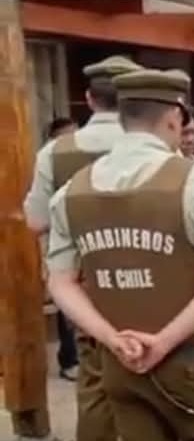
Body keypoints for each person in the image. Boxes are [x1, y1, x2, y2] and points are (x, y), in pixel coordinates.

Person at [46, 68, 194, 441]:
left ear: (123, 120)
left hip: (120, 365)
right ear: (174, 118)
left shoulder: (69, 194)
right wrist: (161, 343)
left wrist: (111, 338)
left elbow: (60, 282)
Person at [24, 55, 142, 441]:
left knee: (95, 384)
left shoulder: (55, 152)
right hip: (151, 274)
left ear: (89, 99)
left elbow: (36, 221)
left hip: (85, 281)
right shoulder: (157, 149)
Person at [45, 117, 80, 381]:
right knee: (65, 297)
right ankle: (69, 358)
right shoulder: (48, 161)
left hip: (88, 238)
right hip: (58, 239)